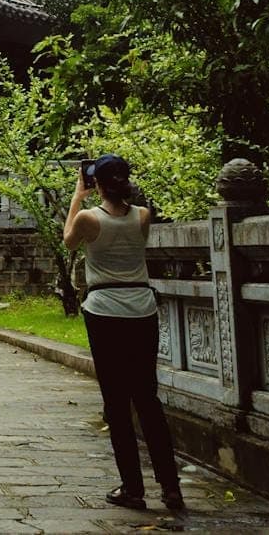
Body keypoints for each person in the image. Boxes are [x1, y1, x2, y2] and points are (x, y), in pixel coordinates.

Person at [64, 154, 184, 512]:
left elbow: (69, 241)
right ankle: (171, 487)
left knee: (116, 403)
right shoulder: (143, 215)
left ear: (97, 183)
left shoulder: (88, 218)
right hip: (142, 307)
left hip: (104, 310)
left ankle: (133, 487)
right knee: (147, 398)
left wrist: (76, 196)